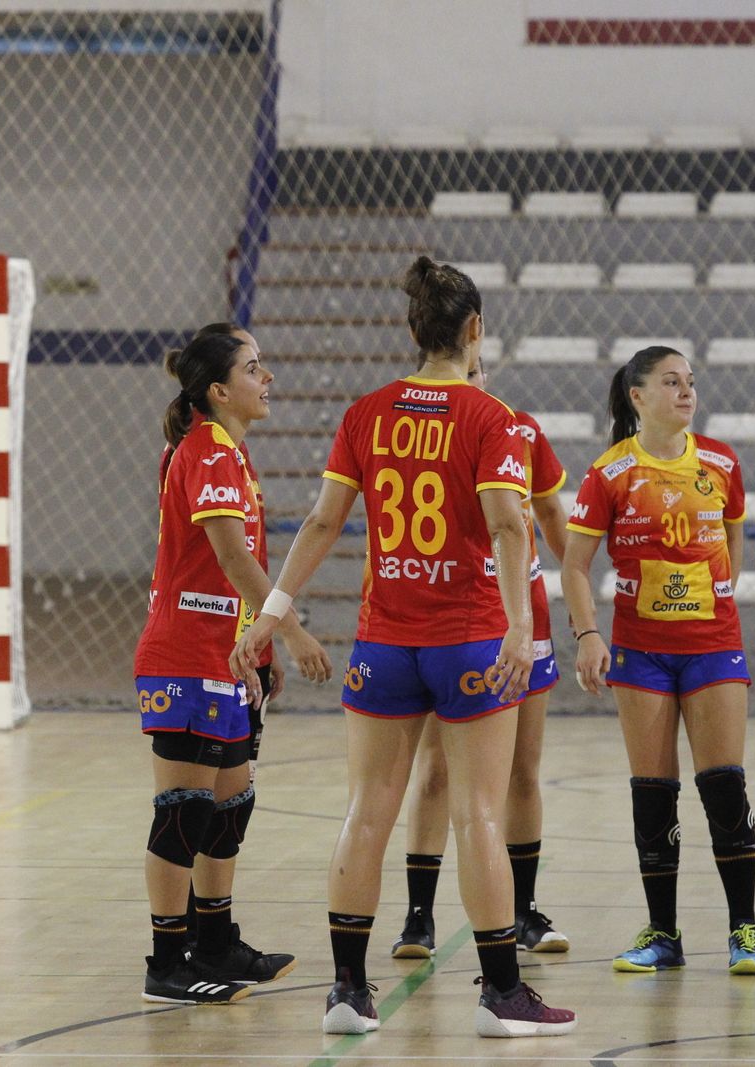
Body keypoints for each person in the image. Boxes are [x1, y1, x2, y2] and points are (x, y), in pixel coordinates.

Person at [231, 257, 577, 1039]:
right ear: (475, 330)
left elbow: (320, 524)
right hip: (469, 641)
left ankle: (349, 992)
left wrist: (273, 610)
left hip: (382, 640)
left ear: (413, 330)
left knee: (366, 812)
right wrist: (522, 626)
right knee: (478, 813)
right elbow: (510, 524)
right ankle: (501, 995)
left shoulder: (367, 412)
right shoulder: (491, 418)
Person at [132, 325, 330, 1004]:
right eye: (254, 367)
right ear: (219, 390)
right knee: (183, 811)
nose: (266, 377)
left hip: (225, 656)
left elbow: (239, 575)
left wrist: (262, 647)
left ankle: (213, 939)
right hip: (184, 655)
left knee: (229, 807)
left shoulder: (230, 455)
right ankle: (166, 959)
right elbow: (232, 560)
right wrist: (294, 632)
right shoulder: (207, 452)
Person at [560, 345, 755, 976]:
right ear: (638, 396)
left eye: (691, 383)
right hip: (641, 651)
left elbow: (733, 532)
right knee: (654, 793)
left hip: (711, 645)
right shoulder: (610, 473)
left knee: (723, 786)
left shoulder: (721, 461)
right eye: (671, 382)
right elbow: (574, 565)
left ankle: (745, 932)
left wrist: (719, 590)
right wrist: (588, 635)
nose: (686, 392)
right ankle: (663, 934)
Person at [391, 358, 572, 960]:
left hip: (525, 615)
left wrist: (580, 591)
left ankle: (523, 911)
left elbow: (548, 514)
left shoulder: (518, 429)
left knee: (523, 770)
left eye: (479, 370)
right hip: (458, 618)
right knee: (437, 769)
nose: (473, 378)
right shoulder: (424, 430)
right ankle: (418, 917)